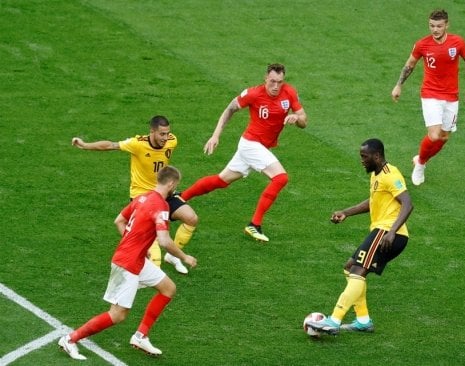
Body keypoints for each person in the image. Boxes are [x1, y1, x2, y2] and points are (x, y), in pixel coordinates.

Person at [58, 166, 197, 360]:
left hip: (136, 258)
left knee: (168, 288)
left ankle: (140, 336)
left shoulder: (142, 197)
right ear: (172, 184)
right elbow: (164, 240)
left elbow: (119, 221)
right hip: (128, 264)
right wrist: (184, 257)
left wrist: (137, 244)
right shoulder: (162, 206)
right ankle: (70, 339)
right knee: (118, 315)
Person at [180, 63, 307, 242]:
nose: (276, 86)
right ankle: (254, 225)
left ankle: (180, 197)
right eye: (272, 81)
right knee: (281, 178)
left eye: (279, 82)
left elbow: (304, 120)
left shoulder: (289, 92)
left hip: (259, 147)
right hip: (251, 144)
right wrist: (215, 135)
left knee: (221, 180)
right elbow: (230, 109)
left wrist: (296, 118)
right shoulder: (254, 94)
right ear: (265, 79)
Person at [306, 138, 413, 335]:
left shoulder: (391, 175)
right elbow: (373, 201)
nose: (362, 160)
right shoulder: (376, 174)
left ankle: (334, 320)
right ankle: (363, 320)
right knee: (350, 267)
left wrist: (391, 232)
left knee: (357, 271)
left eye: (364, 157)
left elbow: (407, 203)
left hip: (388, 233)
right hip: (383, 231)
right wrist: (346, 212)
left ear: (377, 156)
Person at [72, 115, 198, 274]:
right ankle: (146, 270)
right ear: (152, 131)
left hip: (163, 193)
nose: (165, 138)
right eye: (162, 134)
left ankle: (173, 256)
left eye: (167, 133)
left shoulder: (172, 141)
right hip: (143, 197)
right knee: (154, 259)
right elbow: (110, 145)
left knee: (191, 218)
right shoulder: (137, 144)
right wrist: (85, 145)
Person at [391, 8, 465, 186]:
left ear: (447, 25)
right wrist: (399, 85)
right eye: (431, 26)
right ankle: (421, 163)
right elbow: (410, 65)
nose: (435, 29)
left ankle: (420, 159)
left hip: (451, 96)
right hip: (430, 94)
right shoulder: (422, 44)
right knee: (435, 135)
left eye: (438, 26)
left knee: (444, 137)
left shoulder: (457, 42)